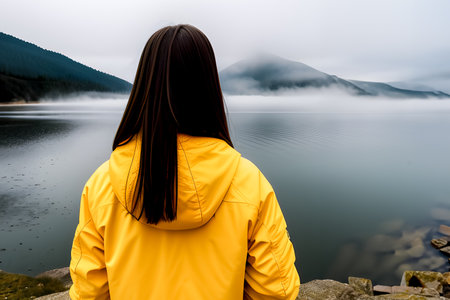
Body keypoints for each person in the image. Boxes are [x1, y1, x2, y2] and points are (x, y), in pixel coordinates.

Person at [69, 24, 300, 299]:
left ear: (144, 86)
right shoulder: (249, 183)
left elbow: (89, 293)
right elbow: (277, 292)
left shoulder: (101, 185)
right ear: (210, 87)